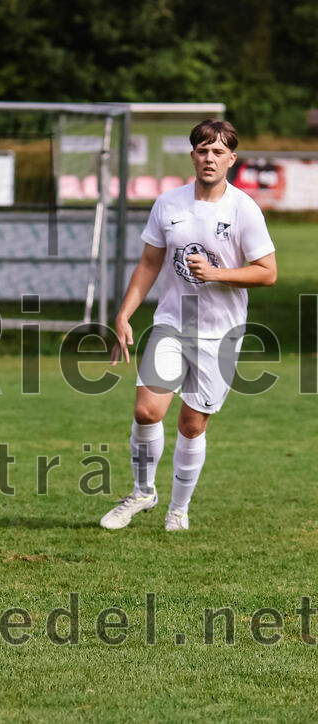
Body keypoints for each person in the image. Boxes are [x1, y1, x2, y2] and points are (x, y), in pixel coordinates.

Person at [102, 120, 277, 531]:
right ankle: (143, 491)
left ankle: (178, 509)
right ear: (193, 156)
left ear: (232, 159)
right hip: (172, 324)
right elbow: (149, 262)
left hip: (222, 333)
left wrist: (218, 274)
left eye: (218, 152)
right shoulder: (169, 203)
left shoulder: (243, 209)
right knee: (147, 411)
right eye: (202, 150)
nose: (209, 158)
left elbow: (267, 272)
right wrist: (125, 313)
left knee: (191, 423)